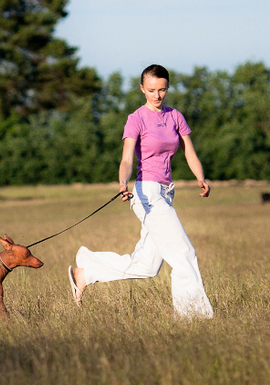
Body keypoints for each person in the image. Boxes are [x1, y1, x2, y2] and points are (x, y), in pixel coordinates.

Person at [68, 64, 214, 319]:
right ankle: (194, 317)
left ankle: (86, 272)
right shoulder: (136, 119)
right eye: (151, 90)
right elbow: (126, 159)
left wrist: (200, 177)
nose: (157, 95)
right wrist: (123, 182)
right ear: (142, 89)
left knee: (147, 265)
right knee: (184, 253)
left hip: (166, 193)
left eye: (162, 90)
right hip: (147, 193)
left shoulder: (175, 116)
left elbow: (189, 151)